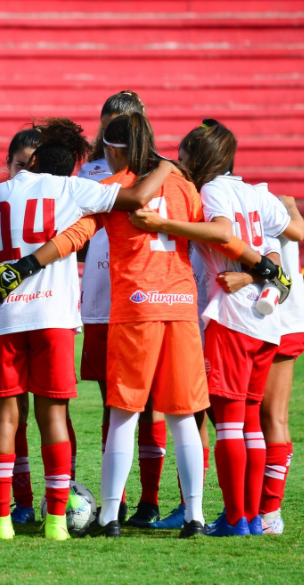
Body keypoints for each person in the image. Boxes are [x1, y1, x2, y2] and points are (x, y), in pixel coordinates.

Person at [0, 117, 179, 540]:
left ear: (32, 159)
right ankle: (56, 522)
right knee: (52, 415)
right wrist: (167, 166)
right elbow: (136, 197)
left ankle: (1, 521)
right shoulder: (73, 189)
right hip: (52, 318)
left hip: (2, 320)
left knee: (5, 415)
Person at [0, 113, 239, 538]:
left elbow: (74, 236)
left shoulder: (111, 189)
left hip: (136, 307)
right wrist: (258, 266)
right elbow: (220, 234)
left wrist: (27, 264)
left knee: (122, 414)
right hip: (179, 306)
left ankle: (108, 517)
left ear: (114, 149)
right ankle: (194, 516)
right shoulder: (181, 185)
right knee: (183, 415)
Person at [173, 119, 304, 537]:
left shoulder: (211, 191)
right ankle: (249, 516)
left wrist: (167, 226)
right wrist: (259, 279)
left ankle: (235, 518)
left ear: (199, 157)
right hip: (265, 324)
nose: (180, 161)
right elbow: (277, 243)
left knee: (229, 424)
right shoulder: (254, 194)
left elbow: (222, 234)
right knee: (250, 424)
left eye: (184, 155)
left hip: (230, 318)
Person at [78, 90, 177, 529]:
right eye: (108, 125)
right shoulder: (91, 172)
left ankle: (150, 500)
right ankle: (112, 501)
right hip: (103, 302)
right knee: (114, 405)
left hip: (151, 299)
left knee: (156, 403)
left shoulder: (162, 172)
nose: (111, 134)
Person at [209, 188, 304, 535]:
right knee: (260, 419)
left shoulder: (241, 204)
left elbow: (276, 258)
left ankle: (264, 511)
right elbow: (295, 233)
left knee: (258, 418)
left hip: (269, 318)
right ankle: (257, 511)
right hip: (279, 316)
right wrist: (292, 207)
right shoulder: (267, 204)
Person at [3, 124, 44, 524]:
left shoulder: (58, 198)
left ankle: (56, 498)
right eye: (18, 164)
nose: (24, 173)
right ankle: (24, 500)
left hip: (47, 315)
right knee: (15, 416)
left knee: (53, 414)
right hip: (5, 317)